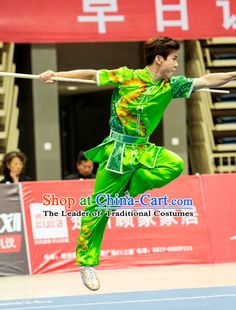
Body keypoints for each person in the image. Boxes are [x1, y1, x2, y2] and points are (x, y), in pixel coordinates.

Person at [39, 36, 236, 291]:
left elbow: (206, 80)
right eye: (174, 59)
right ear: (159, 59)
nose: (176, 64)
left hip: (143, 149)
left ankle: (129, 190)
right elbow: (90, 75)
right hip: (116, 153)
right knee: (98, 211)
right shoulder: (126, 77)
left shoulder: (170, 87)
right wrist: (58, 74)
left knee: (174, 164)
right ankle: (86, 263)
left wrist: (232, 73)